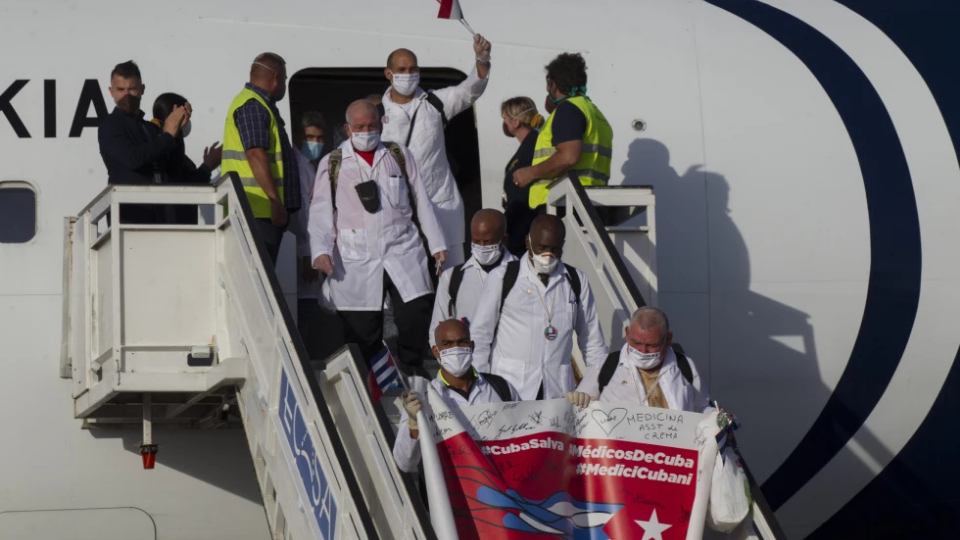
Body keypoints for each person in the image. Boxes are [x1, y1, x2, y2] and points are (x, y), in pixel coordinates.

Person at [309, 100, 447, 375]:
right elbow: (321, 211)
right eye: (359, 127)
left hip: (402, 250)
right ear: (347, 129)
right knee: (362, 329)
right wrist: (320, 250)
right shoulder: (334, 162)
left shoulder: (398, 154)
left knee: (415, 313)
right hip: (356, 258)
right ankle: (369, 381)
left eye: (371, 125)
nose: (366, 131)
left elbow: (422, 200)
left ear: (381, 123)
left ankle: (412, 370)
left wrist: (437, 244)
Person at [380, 35, 492, 270]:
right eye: (401, 70)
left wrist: (481, 60)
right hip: (399, 209)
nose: (408, 74)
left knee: (450, 276)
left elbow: (470, 91)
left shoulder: (434, 103)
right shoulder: (377, 114)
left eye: (412, 69)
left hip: (441, 204)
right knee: (408, 276)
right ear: (388, 73)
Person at [470, 214, 608, 400]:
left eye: (554, 249)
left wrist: (596, 389)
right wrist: (481, 388)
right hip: (510, 390)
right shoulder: (502, 277)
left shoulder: (576, 280)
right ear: (528, 242)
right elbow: (479, 336)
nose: (547, 255)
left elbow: (593, 342)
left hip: (557, 391)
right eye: (541, 248)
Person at [393, 319, 519, 473]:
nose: (456, 349)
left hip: (503, 479)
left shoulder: (501, 388)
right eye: (447, 344)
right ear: (436, 351)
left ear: (472, 346)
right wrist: (414, 424)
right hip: (454, 485)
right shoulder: (423, 400)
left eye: (462, 342)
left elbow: (527, 440)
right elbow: (405, 464)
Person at [222, 52, 300, 264]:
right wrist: (275, 200)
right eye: (284, 79)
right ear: (275, 77)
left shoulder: (258, 104)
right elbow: (255, 153)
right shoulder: (254, 106)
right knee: (259, 272)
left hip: (257, 210)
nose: (284, 85)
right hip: (257, 211)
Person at [512, 53, 614, 211]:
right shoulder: (596, 115)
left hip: (559, 205)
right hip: (588, 203)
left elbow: (568, 157)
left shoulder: (568, 110)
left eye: (548, 84)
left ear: (552, 83)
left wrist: (529, 173)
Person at [568, 307, 712, 413]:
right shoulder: (606, 366)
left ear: (668, 339)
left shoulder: (685, 366)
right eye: (636, 343)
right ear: (627, 333)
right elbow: (579, 406)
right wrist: (578, 399)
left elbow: (703, 408)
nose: (643, 351)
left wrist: (716, 417)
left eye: (652, 345)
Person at [98, 61, 188, 222]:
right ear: (111, 92)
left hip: (161, 216)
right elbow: (133, 159)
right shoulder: (110, 125)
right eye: (120, 89)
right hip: (129, 218)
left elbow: (173, 170)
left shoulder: (151, 128)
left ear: (142, 89)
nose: (126, 95)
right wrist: (168, 135)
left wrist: (177, 131)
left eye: (132, 89)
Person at [428, 209, 517, 346]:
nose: (481, 247)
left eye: (487, 242)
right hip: (469, 356)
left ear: (503, 239)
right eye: (476, 241)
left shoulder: (522, 273)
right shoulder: (452, 278)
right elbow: (437, 329)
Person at [290, 111, 338, 359]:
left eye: (320, 138)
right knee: (304, 312)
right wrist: (308, 253)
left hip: (309, 250)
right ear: (300, 137)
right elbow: (302, 216)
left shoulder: (310, 166)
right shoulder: (299, 167)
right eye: (310, 137)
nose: (315, 143)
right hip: (303, 252)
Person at [500, 97, 545, 257]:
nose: (504, 123)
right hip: (523, 222)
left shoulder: (531, 147)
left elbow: (520, 195)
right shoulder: (531, 144)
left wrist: (505, 225)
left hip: (523, 226)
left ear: (515, 122)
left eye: (505, 118)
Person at [148, 92, 222, 185]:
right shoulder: (162, 149)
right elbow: (182, 187)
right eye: (186, 117)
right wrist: (207, 166)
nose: (187, 122)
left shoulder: (152, 142)